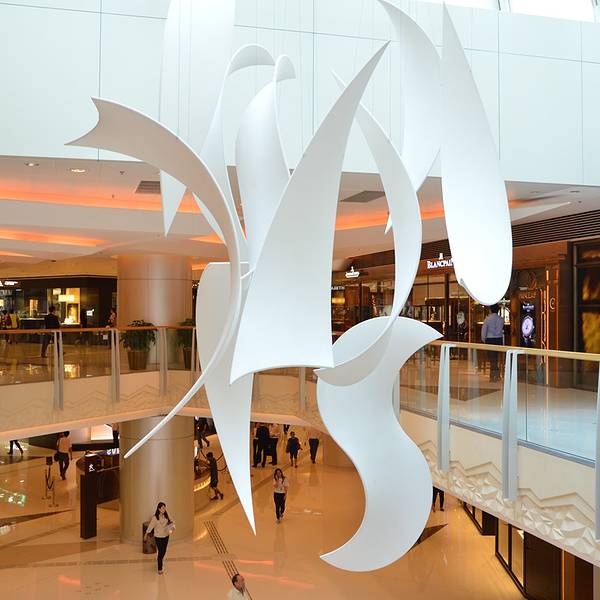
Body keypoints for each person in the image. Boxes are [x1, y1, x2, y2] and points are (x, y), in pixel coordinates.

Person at [144, 502, 175, 574]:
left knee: (164, 551)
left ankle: (160, 560)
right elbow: (151, 526)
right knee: (161, 552)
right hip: (158, 537)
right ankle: (159, 568)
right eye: (163, 508)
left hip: (166, 536)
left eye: (165, 508)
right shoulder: (155, 518)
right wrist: (146, 534)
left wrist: (172, 526)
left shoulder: (167, 515)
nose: (164, 509)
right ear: (159, 509)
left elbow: (172, 521)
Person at [481, 304, 504, 382]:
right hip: (498, 340)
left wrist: (484, 340)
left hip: (490, 340)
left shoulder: (487, 319)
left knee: (492, 358)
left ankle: (493, 375)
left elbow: (484, 331)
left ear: (490, 310)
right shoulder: (501, 319)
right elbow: (499, 330)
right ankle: (495, 375)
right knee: (496, 358)